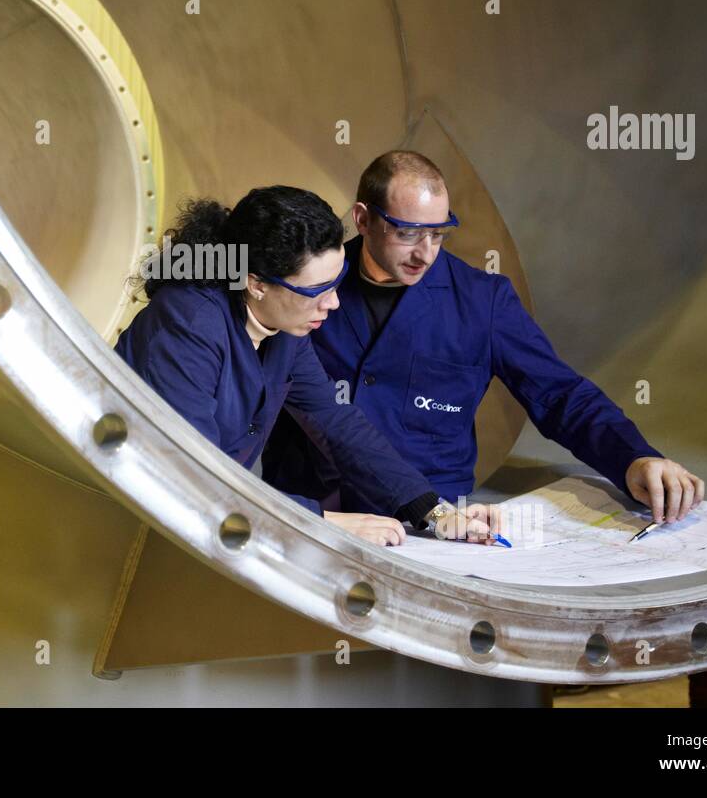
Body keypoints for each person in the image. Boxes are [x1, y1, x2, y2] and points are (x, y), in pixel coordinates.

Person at [263, 151, 705, 533]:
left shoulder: (483, 301)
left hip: (436, 528)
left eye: (438, 234)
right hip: (312, 517)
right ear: (363, 219)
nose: (425, 253)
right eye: (408, 233)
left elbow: (560, 395)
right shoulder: (302, 289)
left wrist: (635, 459)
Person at [114, 185, 498, 547]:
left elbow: (333, 419)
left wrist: (431, 509)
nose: (332, 303)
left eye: (337, 281)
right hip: (135, 526)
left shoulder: (287, 330)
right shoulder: (188, 326)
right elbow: (192, 475)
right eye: (316, 291)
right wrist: (321, 520)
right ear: (256, 283)